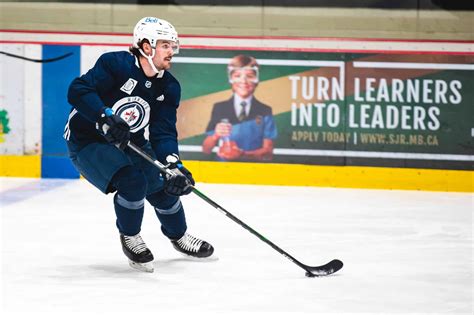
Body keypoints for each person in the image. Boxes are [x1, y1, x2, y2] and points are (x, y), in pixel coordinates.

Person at [64, 17, 214, 273]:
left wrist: (173, 165)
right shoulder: (116, 64)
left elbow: (163, 131)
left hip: (129, 142)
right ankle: (131, 237)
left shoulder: (169, 86)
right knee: (133, 182)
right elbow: (78, 90)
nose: (172, 51)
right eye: (166, 45)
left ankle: (179, 236)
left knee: (165, 186)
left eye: (172, 45)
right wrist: (105, 116)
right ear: (147, 47)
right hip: (88, 141)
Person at [202, 55, 277, 161]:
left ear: (256, 81)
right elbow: (206, 149)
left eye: (250, 76)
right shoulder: (220, 108)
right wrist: (216, 135)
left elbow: (268, 153)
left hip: (253, 171)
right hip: (224, 170)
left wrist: (242, 154)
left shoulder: (265, 110)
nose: (244, 81)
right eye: (237, 75)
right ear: (231, 80)